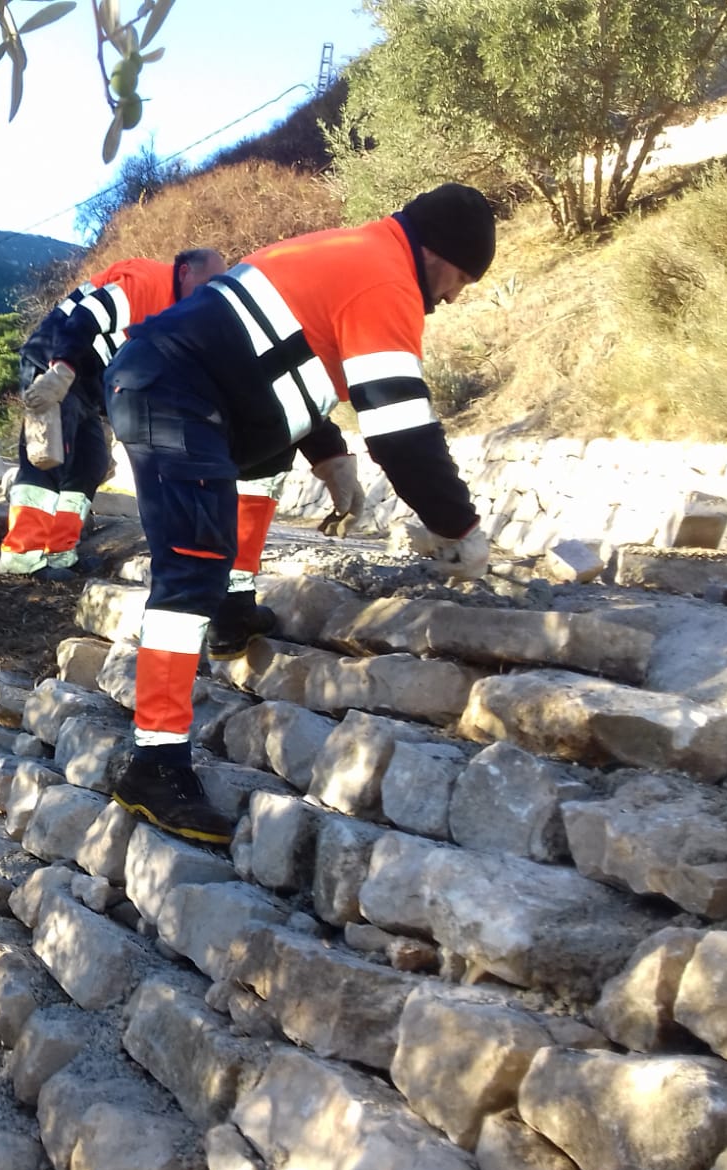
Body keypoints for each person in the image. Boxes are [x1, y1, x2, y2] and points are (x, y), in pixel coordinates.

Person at [103, 182, 496, 844]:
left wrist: (330, 457)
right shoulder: (386, 280)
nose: (456, 296)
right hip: (172, 392)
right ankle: (155, 763)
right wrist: (458, 526)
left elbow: (280, 360)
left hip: (188, 387)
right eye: (462, 277)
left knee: (260, 469)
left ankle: (231, 611)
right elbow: (402, 431)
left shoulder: (350, 252)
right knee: (188, 572)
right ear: (437, 254)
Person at [0, 248, 228, 580]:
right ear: (184, 272)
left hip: (89, 380)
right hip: (55, 360)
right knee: (48, 456)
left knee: (91, 462)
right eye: (206, 284)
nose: (208, 297)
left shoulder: (180, 313)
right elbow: (84, 318)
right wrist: (60, 373)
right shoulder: (146, 284)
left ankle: (60, 552)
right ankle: (22, 558)